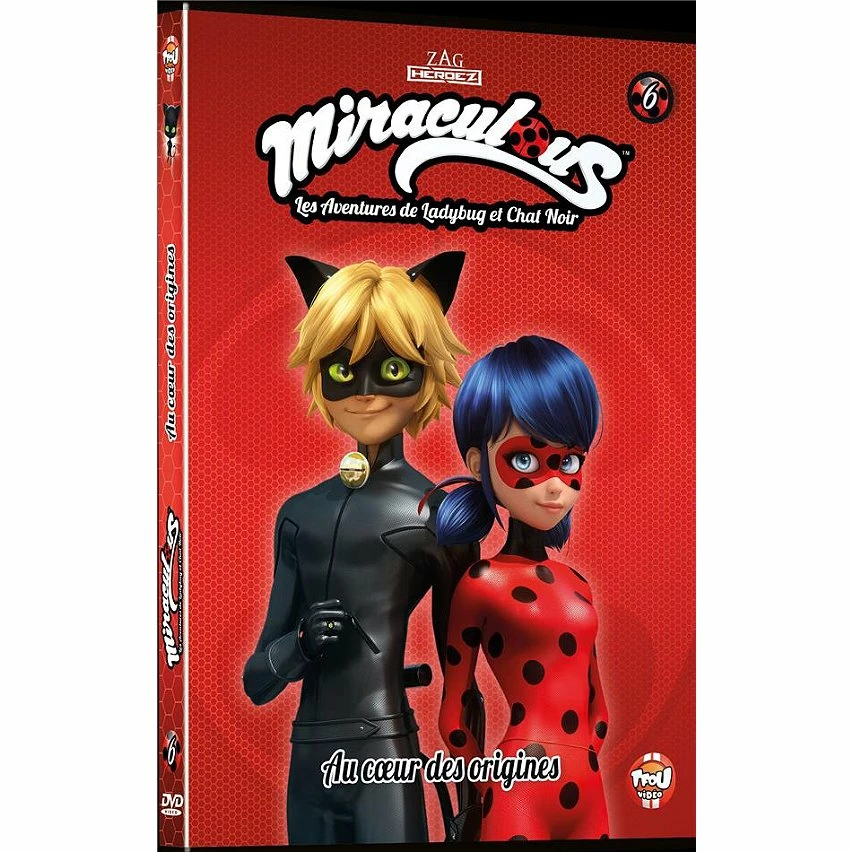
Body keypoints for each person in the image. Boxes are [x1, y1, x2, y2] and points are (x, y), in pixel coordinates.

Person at [243, 253, 483, 844]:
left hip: (384, 754)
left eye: (393, 369)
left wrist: (471, 805)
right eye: (342, 371)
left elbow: (461, 682)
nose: (367, 394)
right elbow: (257, 679)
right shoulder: (299, 515)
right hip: (311, 759)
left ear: (425, 375)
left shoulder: (439, 515)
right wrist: (299, 645)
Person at [435, 335, 609, 841]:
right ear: (477, 463)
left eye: (569, 461)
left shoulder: (578, 586)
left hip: (587, 788)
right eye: (526, 461)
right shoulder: (482, 582)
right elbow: (455, 710)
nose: (555, 485)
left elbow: (597, 702)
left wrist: (585, 753)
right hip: (518, 789)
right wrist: (479, 791)